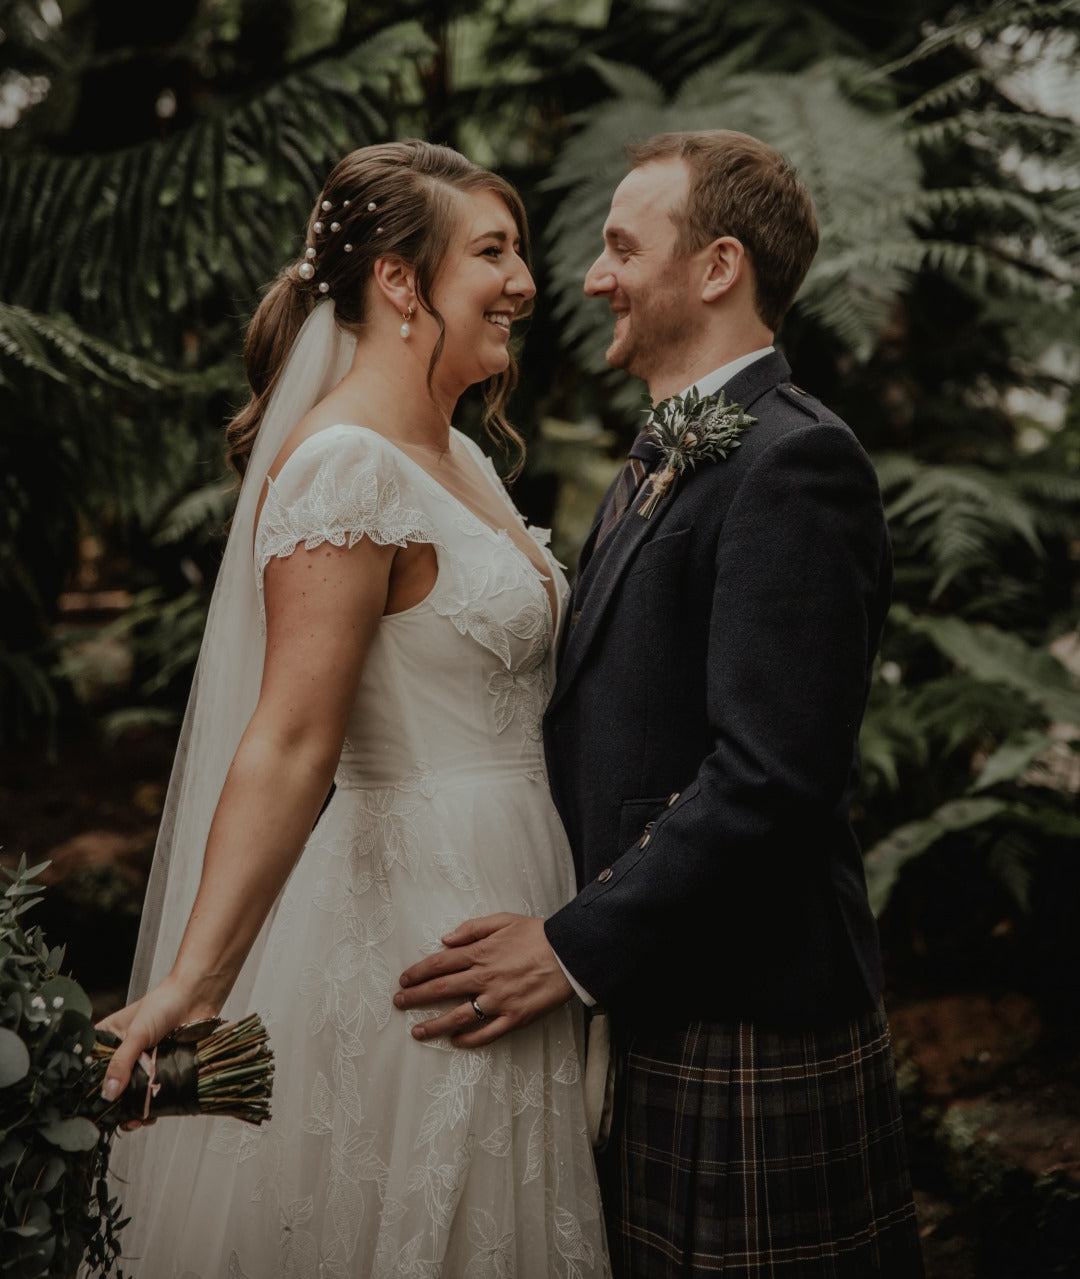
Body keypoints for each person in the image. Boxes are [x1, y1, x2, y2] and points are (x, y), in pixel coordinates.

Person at [393, 131, 924, 1275]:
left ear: (719, 266)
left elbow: (772, 776)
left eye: (623, 246)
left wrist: (574, 947)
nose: (590, 277)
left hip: (749, 1007)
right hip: (667, 989)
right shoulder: (669, 452)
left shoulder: (795, 462)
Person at [97, 141, 611, 1278]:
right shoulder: (344, 469)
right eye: (493, 250)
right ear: (396, 281)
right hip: (421, 926)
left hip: (517, 892)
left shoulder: (463, 459)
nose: (526, 281)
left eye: (517, 248)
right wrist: (192, 986)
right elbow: (288, 739)